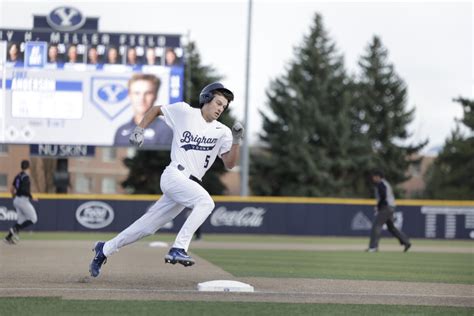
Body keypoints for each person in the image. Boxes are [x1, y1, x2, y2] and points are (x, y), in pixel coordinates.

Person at [89, 82, 243, 277]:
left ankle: (104, 249)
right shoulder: (184, 112)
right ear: (206, 99)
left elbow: (229, 163)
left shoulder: (223, 131)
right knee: (205, 202)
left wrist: (237, 141)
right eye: (218, 103)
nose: (221, 108)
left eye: (224, 106)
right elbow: (155, 110)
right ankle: (178, 247)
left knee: (147, 227)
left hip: (189, 184)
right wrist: (139, 129)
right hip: (174, 175)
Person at [113, 74, 173, 147]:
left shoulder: (166, 131)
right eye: (137, 93)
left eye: (148, 93)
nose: (141, 99)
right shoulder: (121, 131)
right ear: (129, 95)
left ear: (156, 96)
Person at [366, 170, 411, 252]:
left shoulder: (381, 184)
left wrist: (378, 206)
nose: (373, 178)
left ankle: (373, 247)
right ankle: (406, 242)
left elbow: (383, 197)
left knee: (376, 225)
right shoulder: (384, 183)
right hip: (390, 207)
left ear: (378, 177)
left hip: (386, 207)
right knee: (391, 227)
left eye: (374, 177)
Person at [4, 160, 38, 245]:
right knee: (33, 218)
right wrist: (32, 196)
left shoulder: (18, 176)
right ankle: (15, 230)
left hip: (16, 200)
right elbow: (24, 190)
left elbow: (12, 189)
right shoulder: (26, 177)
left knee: (21, 220)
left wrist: (14, 196)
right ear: (28, 167)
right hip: (23, 200)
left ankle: (8, 237)